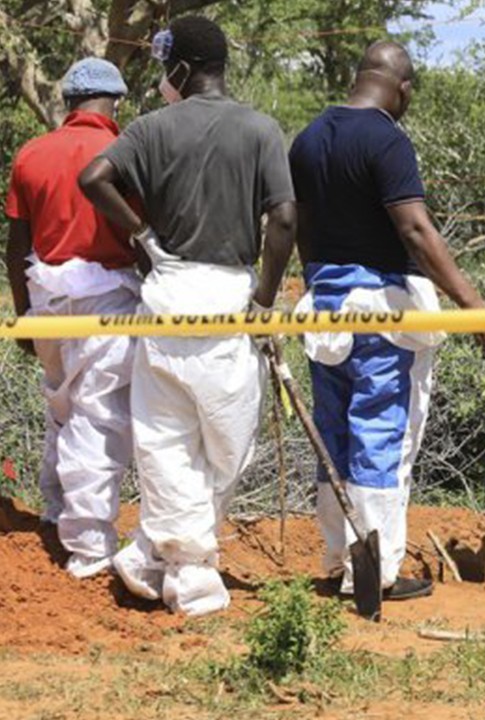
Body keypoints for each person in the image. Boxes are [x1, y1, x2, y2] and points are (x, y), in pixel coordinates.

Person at [80, 16, 297, 616]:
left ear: (183, 67)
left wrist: (144, 235)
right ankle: (191, 575)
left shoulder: (150, 129)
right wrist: (265, 302)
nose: (160, 83)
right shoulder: (259, 129)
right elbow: (282, 220)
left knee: (165, 440)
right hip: (228, 301)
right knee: (228, 446)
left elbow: (92, 177)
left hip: (166, 295)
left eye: (164, 70)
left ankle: (156, 552)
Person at [288, 41, 485, 601]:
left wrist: (317, 287)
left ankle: (339, 558)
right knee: (382, 435)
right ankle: (375, 572)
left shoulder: (308, 139)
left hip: (326, 309)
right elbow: (415, 230)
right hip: (382, 311)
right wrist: (473, 306)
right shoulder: (387, 139)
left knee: (334, 438)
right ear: (402, 88)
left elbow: (301, 228)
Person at [4, 58, 138, 579]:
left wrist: (22, 318)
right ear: (114, 103)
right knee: (98, 416)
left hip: (46, 298)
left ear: (67, 103)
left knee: (61, 404)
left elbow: (18, 246)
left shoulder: (32, 153)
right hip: (106, 298)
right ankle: (87, 546)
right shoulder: (123, 151)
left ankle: (57, 510)